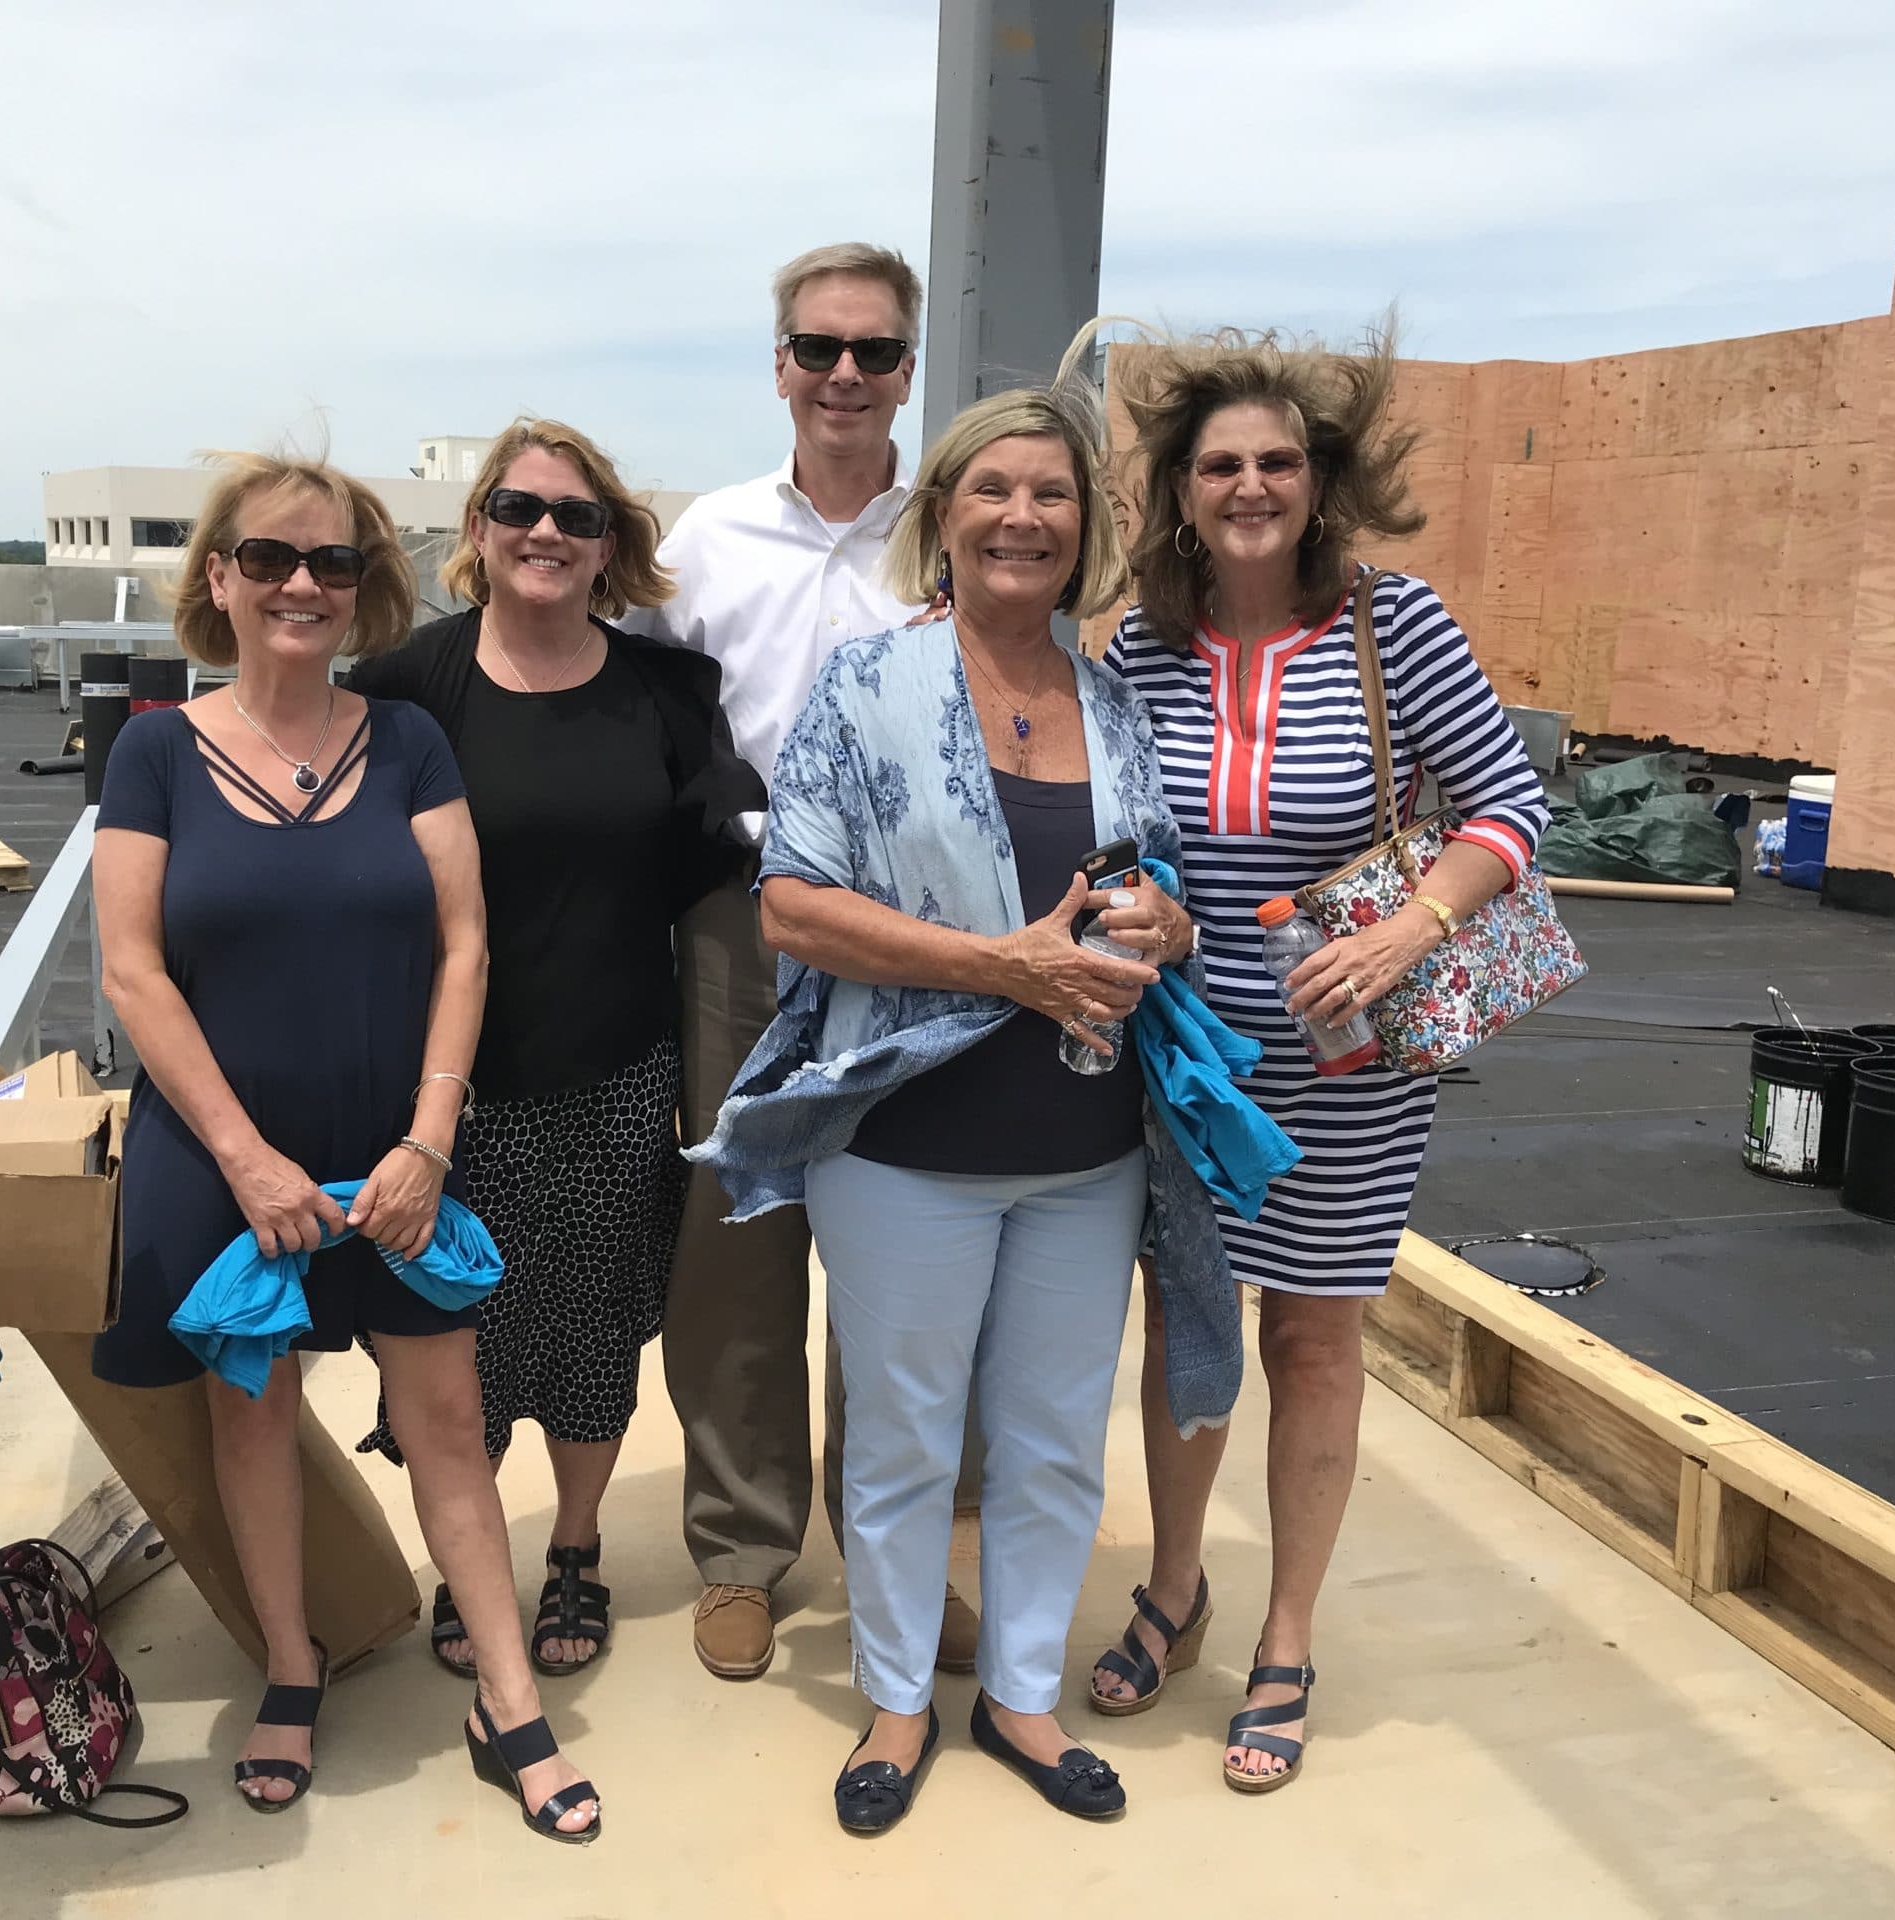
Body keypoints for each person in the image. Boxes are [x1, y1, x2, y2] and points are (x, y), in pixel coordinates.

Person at [690, 381, 1213, 1833]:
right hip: (907, 1143)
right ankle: (899, 1699)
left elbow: (1160, 883)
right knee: (908, 1433)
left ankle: (1022, 1695)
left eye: (1051, 495)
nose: (1022, 517)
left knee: (1051, 1436)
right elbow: (791, 906)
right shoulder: (868, 687)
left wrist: (1162, 925)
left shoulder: (1114, 701)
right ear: (947, 518)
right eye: (993, 491)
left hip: (1084, 1145)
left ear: (1084, 529)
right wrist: (1004, 964)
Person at [92, 451, 599, 1840]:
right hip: (223, 1149)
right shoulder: (155, 749)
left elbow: (464, 942)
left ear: (365, 587)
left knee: (445, 1415)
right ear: (221, 579)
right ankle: (294, 1663)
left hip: (397, 1149)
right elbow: (134, 974)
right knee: (251, 1413)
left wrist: (431, 1140)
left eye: (333, 564)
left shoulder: (408, 744)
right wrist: (248, 1161)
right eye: (271, 560)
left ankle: (508, 1697)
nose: (303, 585)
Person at [1088, 327, 1551, 1793]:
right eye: (1220, 464)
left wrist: (1413, 928)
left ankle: (1286, 1631)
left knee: (1313, 1337)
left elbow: (1513, 812)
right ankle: (1177, 1586)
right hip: (1190, 1058)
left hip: (1347, 1060)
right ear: (1178, 488)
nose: (1249, 486)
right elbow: (1110, 828)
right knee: (1188, 1324)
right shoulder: (1142, 648)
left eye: (1277, 460)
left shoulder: (1390, 625)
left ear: (1320, 478)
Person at [347, 419, 760, 1677]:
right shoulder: (406, 688)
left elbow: (728, 866)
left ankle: (574, 1550)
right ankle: (471, 1564)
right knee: (445, 1352)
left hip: (611, 1073)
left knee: (586, 1344)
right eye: (520, 509)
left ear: (608, 547)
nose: (545, 533)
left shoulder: (666, 693)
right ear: (476, 530)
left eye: (576, 517)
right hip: (442, 1089)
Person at [627, 242, 979, 1682]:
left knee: (911, 1241)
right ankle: (741, 1547)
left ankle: (897, 1551)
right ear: (779, 364)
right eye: (819, 350)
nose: (846, 376)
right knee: (739, 1235)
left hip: (920, 928)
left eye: (875, 353)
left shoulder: (956, 535)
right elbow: (640, 728)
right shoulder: (702, 546)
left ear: (909, 372)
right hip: (745, 923)